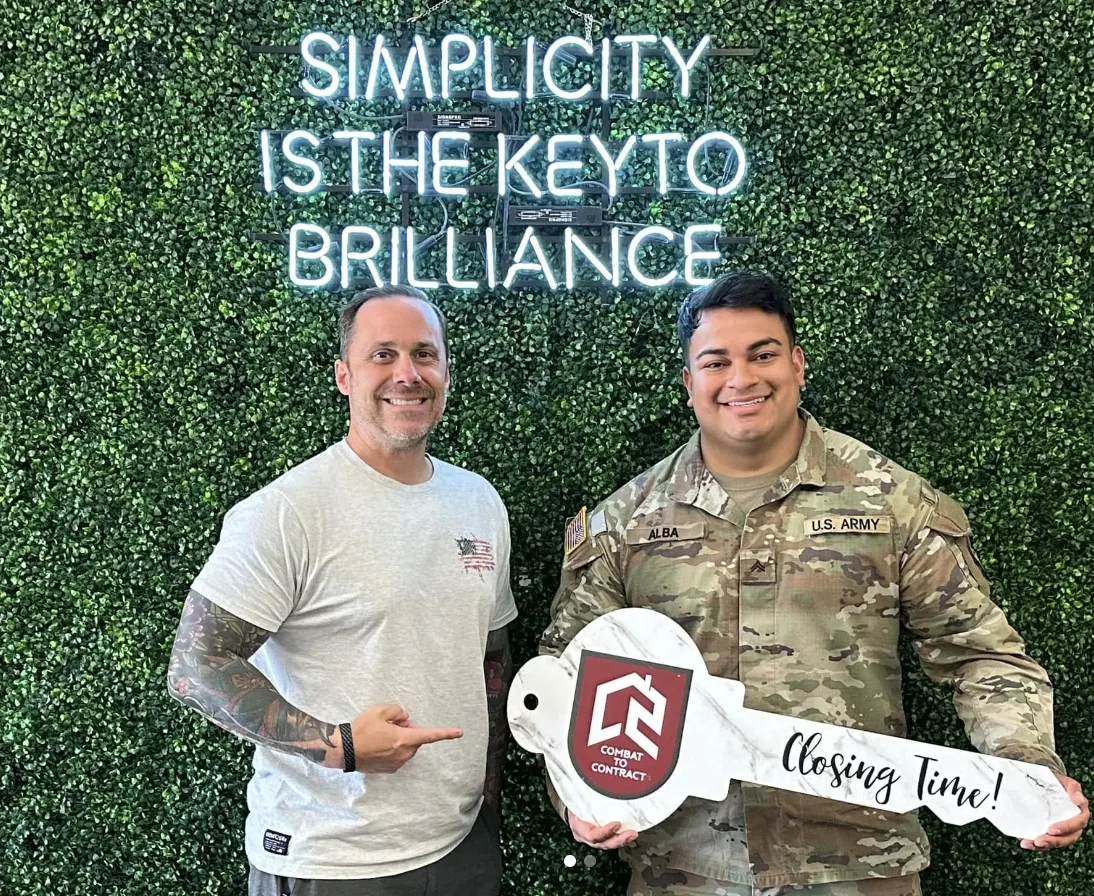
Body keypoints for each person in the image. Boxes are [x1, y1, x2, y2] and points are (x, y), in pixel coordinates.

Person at [540, 271, 1088, 896]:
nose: (742, 378)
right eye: (716, 362)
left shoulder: (890, 502)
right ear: (689, 382)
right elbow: (566, 679)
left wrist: (1024, 768)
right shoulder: (626, 521)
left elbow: (979, 655)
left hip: (859, 865)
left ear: (797, 364)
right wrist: (578, 794)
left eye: (763, 354)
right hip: (683, 865)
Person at [167, 285, 516, 896]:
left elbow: (488, 657)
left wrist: (485, 802)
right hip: (331, 859)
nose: (406, 374)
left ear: (445, 372)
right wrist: (339, 746)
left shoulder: (478, 501)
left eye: (423, 354)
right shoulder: (289, 512)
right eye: (382, 355)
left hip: (460, 847)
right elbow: (195, 666)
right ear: (344, 377)